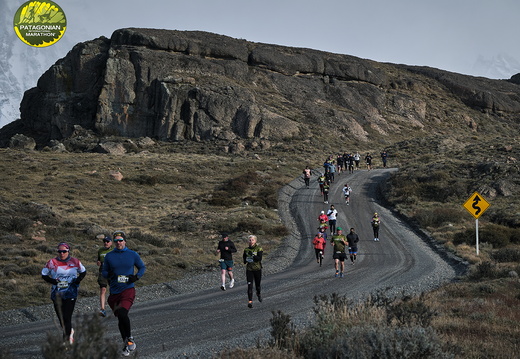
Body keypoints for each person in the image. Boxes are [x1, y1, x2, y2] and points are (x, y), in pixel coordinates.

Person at [102, 230, 146, 357]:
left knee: (122, 312)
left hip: (128, 289)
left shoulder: (132, 254)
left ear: (125, 241)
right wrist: (108, 275)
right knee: (121, 318)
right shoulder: (109, 256)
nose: (118, 243)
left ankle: (130, 337)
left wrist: (136, 277)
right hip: (114, 291)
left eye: (121, 240)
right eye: (116, 241)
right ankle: (126, 344)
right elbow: (104, 271)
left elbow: (142, 267)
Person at [41, 242, 86, 344]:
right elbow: (43, 274)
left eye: (64, 251)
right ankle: (70, 331)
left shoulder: (75, 261)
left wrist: (78, 280)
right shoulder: (52, 262)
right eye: (60, 251)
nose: (62, 253)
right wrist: (53, 281)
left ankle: (66, 341)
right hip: (56, 293)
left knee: (67, 316)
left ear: (68, 251)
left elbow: (83, 271)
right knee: (61, 318)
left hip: (71, 292)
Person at [243, 235, 263, 308]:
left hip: (257, 269)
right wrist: (246, 259)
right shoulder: (246, 249)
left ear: (255, 241)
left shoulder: (259, 248)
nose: (251, 241)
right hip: (249, 270)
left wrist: (253, 256)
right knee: (249, 286)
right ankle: (250, 301)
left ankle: (258, 293)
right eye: (249, 240)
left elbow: (259, 258)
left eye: (252, 240)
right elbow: (244, 260)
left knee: (257, 285)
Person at [96, 234, 113, 317]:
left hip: (112, 271)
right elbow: (98, 261)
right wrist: (98, 263)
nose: (105, 243)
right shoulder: (100, 250)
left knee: (113, 289)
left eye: (107, 241)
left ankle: (116, 307)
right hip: (103, 271)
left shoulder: (114, 250)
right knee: (103, 289)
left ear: (111, 242)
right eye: (104, 241)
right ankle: (102, 309)